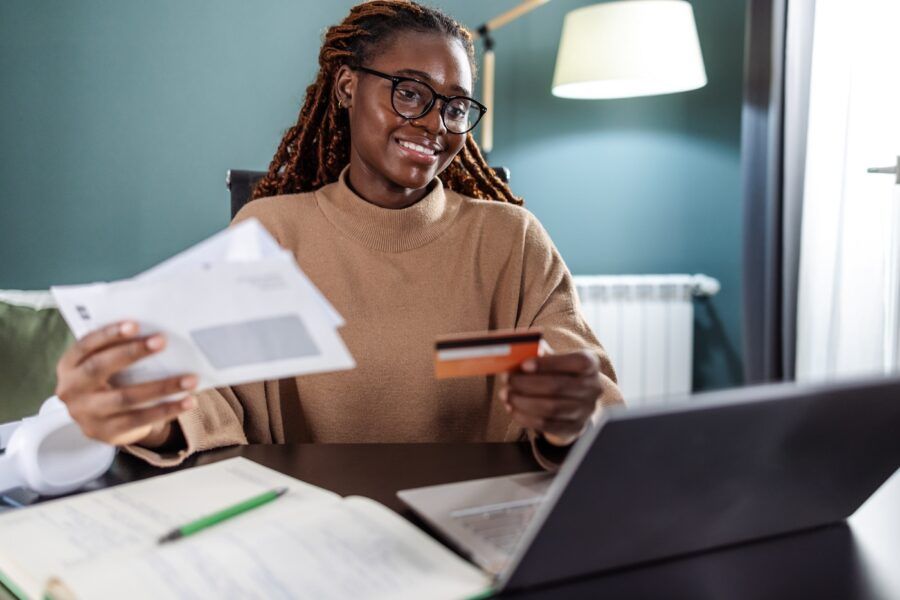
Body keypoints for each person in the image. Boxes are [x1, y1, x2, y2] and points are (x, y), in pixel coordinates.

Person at [54, 0, 622, 470]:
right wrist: (146, 414)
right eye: (408, 91)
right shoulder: (271, 229)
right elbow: (213, 393)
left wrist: (574, 411)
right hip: (307, 523)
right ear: (348, 88)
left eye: (455, 107)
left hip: (472, 523)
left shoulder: (513, 241)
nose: (433, 123)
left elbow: (587, 381)